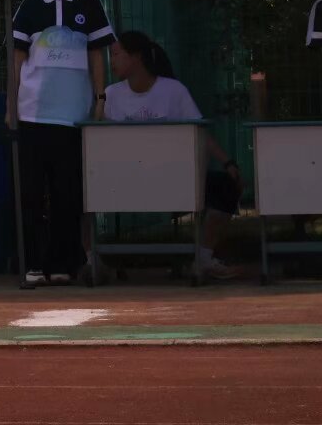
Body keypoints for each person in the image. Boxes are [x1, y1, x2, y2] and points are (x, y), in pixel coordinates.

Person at [8, 0, 114, 288]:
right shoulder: (29, 7)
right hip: (33, 114)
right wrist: (11, 106)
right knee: (31, 194)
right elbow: (17, 61)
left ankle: (63, 264)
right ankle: (34, 265)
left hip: (72, 117)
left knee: (68, 193)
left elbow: (97, 54)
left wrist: (99, 99)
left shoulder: (88, 2)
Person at [103, 31, 242, 280]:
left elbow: (199, 131)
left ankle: (203, 258)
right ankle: (91, 260)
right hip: (124, 181)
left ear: (136, 56)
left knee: (226, 186)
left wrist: (227, 162)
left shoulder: (173, 91)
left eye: (115, 54)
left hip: (171, 180)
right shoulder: (110, 94)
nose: (111, 61)